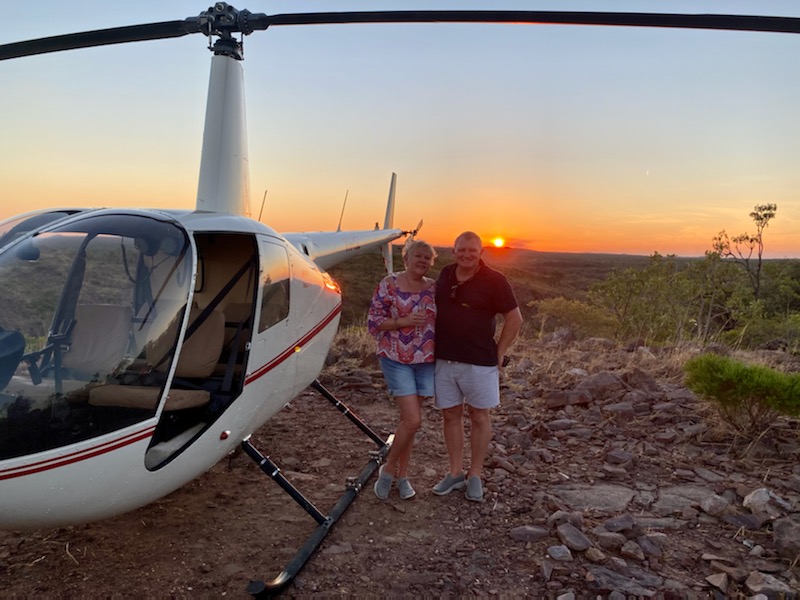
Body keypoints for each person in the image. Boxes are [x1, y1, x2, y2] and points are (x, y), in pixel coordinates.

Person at [432, 231, 523, 502]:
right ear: (453, 251)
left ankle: (475, 475)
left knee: (479, 416)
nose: (467, 254)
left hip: (479, 362)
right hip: (445, 359)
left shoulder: (495, 280)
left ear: (481, 252)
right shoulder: (446, 274)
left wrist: (500, 352)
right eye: (462, 249)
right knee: (450, 415)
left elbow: (514, 318)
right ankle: (455, 472)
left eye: (472, 250)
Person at [367, 240, 437, 500]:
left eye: (427, 257)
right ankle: (388, 469)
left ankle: (403, 475)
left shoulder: (434, 288)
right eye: (418, 256)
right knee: (413, 420)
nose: (422, 260)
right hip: (396, 357)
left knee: (410, 423)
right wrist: (404, 321)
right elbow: (374, 321)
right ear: (406, 259)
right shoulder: (389, 285)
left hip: (425, 360)